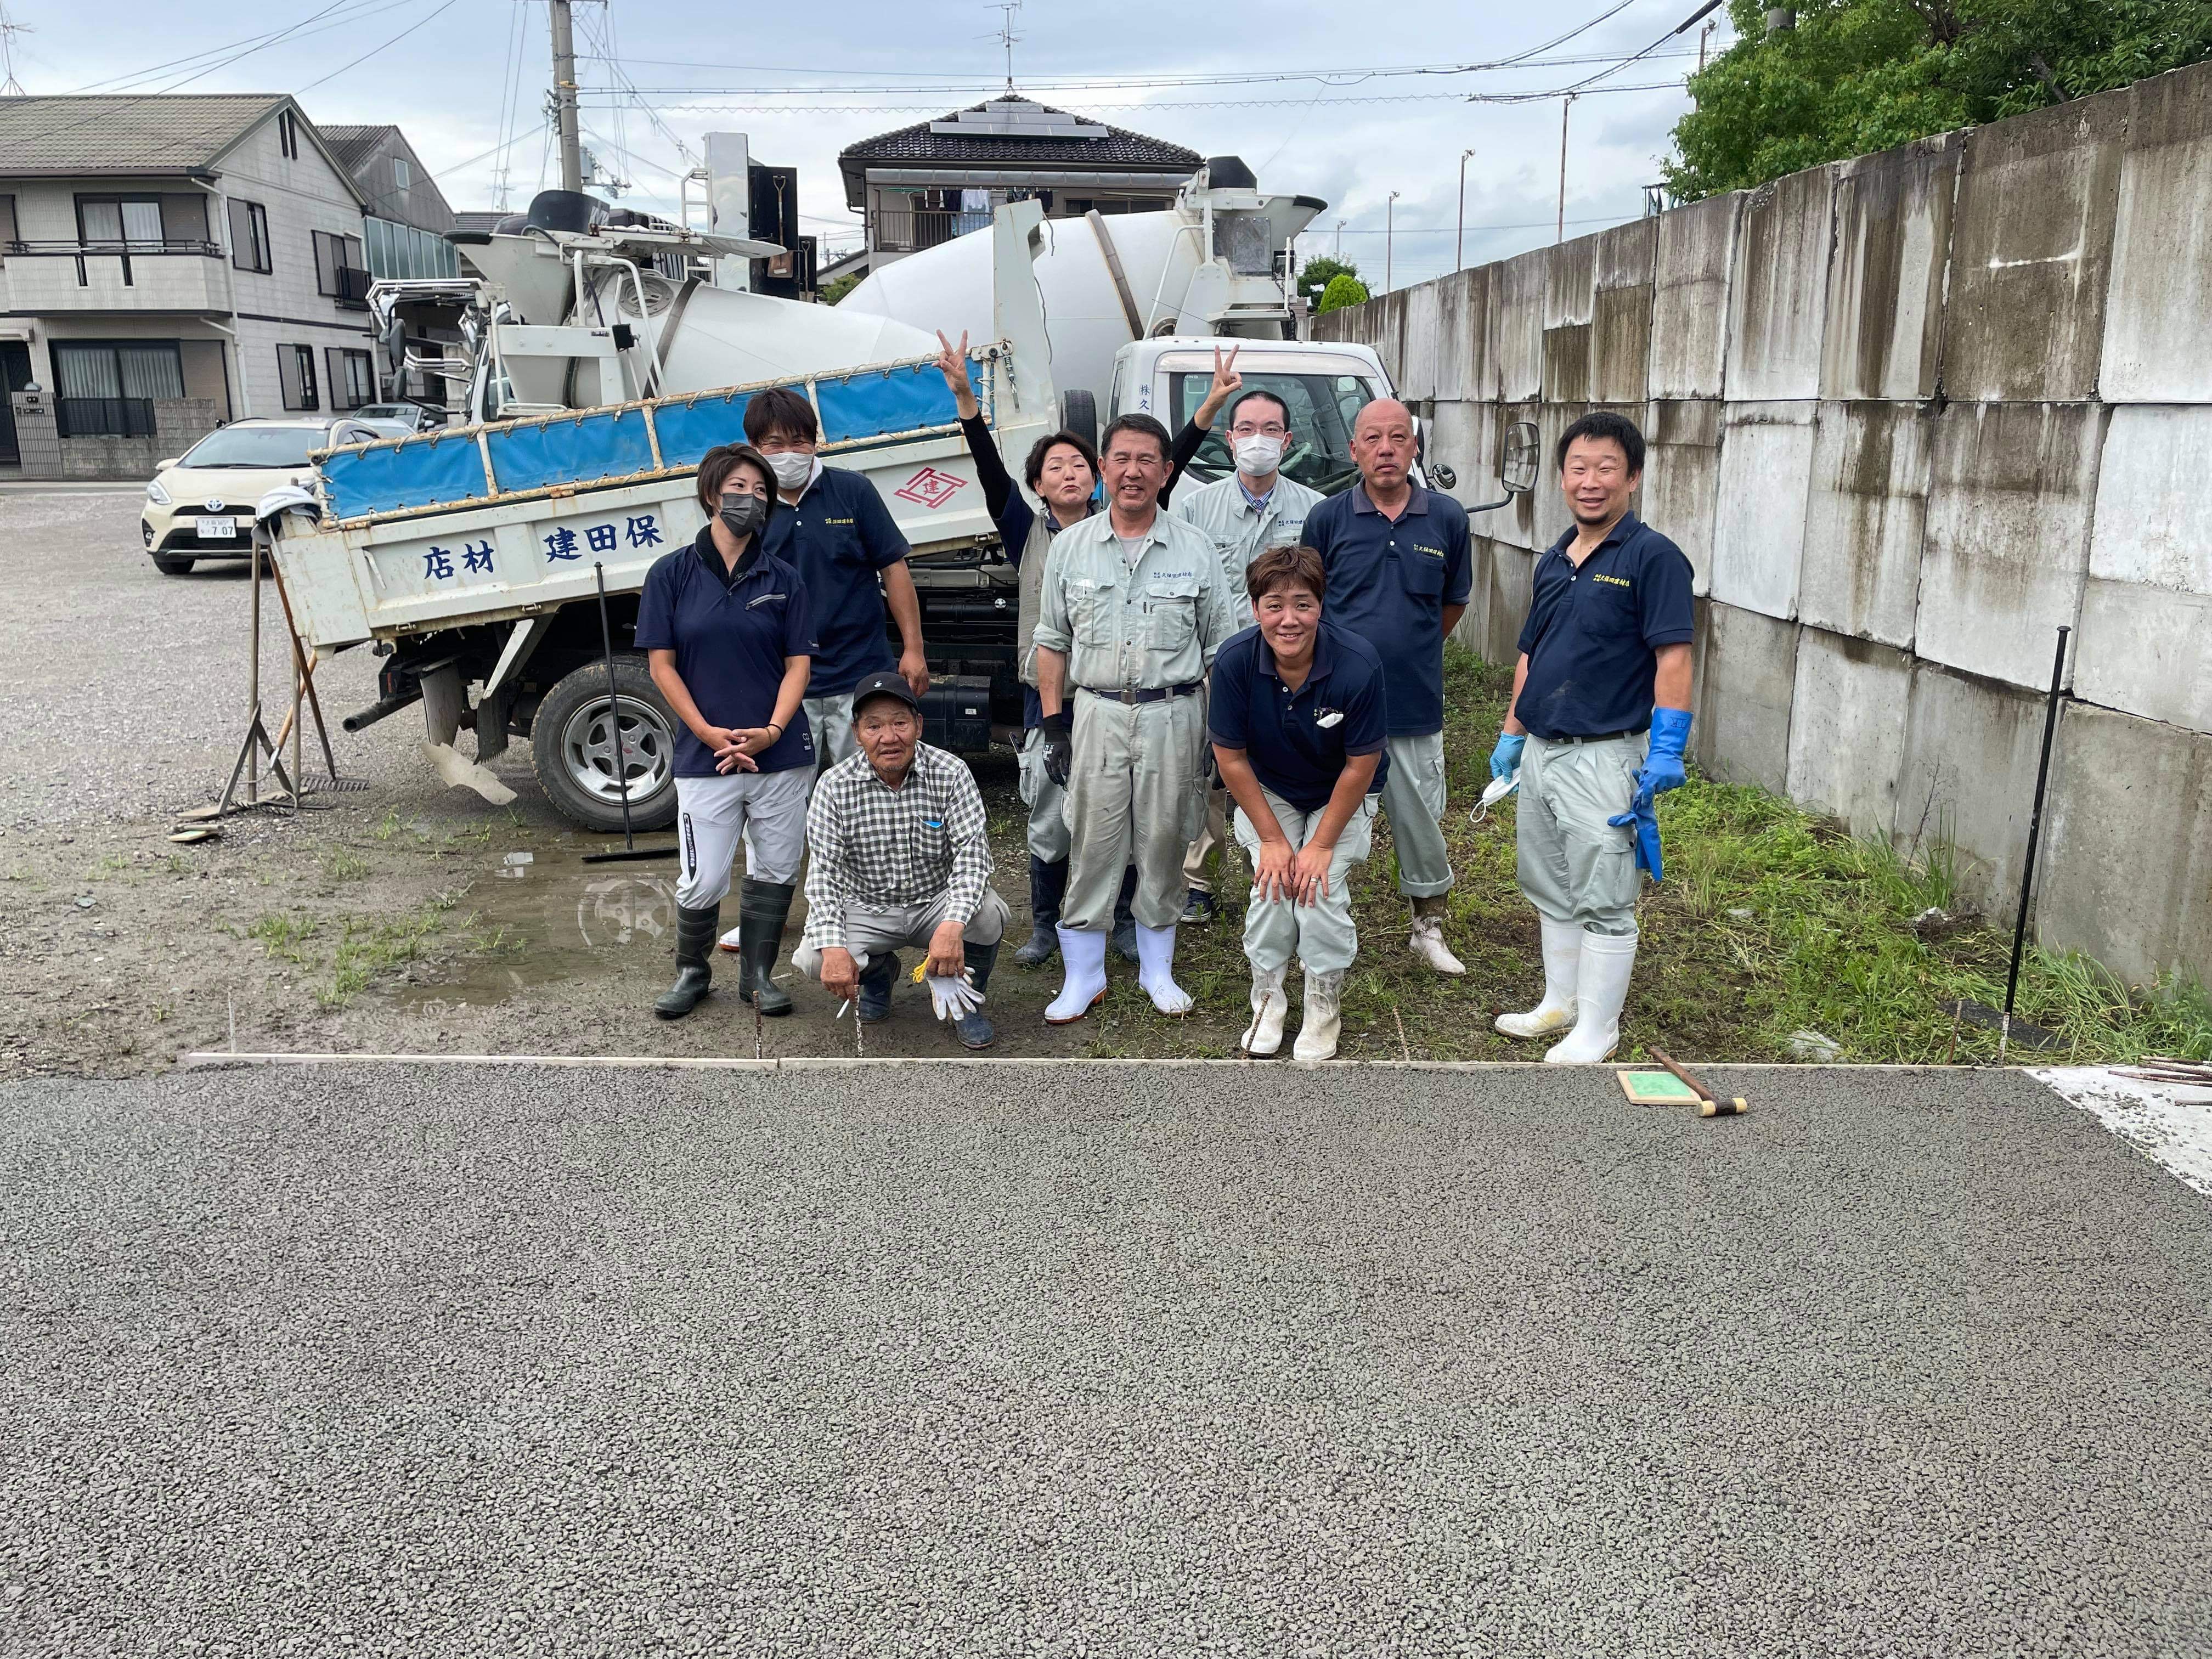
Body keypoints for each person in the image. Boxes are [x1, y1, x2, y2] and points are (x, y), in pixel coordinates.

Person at [1488, 409, 1694, 1064]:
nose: (1591, 481)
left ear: (1632, 478)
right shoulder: (1555, 557)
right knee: (1550, 882)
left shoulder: (1653, 557)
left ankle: (1600, 1029)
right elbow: (1531, 653)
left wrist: (1667, 746)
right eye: (1578, 468)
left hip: (1606, 755)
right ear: (1561, 477)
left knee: (1604, 893)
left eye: (1607, 469)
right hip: (1543, 753)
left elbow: (1674, 659)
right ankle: (1561, 1002)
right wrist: (1512, 732)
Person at [1031, 413, 1240, 1022]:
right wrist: (1054, 724)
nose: (1133, 471)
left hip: (1173, 715)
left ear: (1166, 470)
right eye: (1121, 458)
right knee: (1092, 843)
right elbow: (1051, 640)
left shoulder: (1196, 549)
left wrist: (1217, 731)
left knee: (1165, 838)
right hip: (1096, 712)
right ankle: (1083, 976)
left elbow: (1220, 649)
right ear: (1103, 468)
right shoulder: (1071, 546)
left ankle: (1157, 970)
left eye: (1147, 459)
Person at [934, 330, 1098, 970]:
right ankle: (1047, 927)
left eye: (1079, 465)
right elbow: (988, 471)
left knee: (1117, 815)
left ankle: (1114, 921)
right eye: (1054, 467)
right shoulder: (1024, 531)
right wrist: (968, 404)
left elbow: (1163, 467)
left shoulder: (1125, 531)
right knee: (1050, 817)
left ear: (1099, 478)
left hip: (1112, 696)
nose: (1068, 473)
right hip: (1045, 698)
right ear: (1037, 483)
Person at [635, 443, 814, 1021]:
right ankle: (693, 971)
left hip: (779, 753)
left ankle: (757, 977)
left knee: (776, 867)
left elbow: (798, 666)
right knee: (703, 875)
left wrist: (772, 730)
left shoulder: (784, 578)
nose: (752, 499)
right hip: (703, 754)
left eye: (762, 491)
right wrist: (709, 733)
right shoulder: (671, 575)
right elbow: (662, 665)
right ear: (713, 493)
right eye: (740, 488)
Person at [1301, 398, 1475, 977]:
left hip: (1413, 701)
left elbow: (1452, 603)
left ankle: (1427, 925)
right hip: (1337, 705)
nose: (1386, 449)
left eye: (1398, 438)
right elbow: (1308, 607)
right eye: (1372, 439)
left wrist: (1409, 648)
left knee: (1421, 820)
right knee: (1323, 815)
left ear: (1415, 447)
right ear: (1353, 450)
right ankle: (1317, 928)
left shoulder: (1447, 519)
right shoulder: (1327, 520)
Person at [1209, 545, 1388, 1062]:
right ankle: (1267, 999)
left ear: (1322, 606)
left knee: (1318, 886)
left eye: (1303, 604)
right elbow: (1231, 758)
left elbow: (1361, 765)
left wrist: (1321, 846)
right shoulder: (1236, 662)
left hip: (1344, 788)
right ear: (1255, 608)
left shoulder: (1358, 663)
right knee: (1272, 884)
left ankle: (1322, 1001)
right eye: (1275, 605)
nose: (1289, 620)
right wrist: (1272, 839)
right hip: (1272, 788)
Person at [1170, 380, 1326, 926]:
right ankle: (1196, 882)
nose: (1257, 439)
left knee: (1287, 765)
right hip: (1220, 667)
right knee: (1211, 771)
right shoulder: (1196, 509)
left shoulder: (1315, 511)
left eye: (1269, 430)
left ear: (1287, 441)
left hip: (1295, 667)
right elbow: (1183, 589)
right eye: (1245, 429)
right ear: (1229, 440)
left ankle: (1288, 869)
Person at [792, 672, 1012, 1049]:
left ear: (918, 725)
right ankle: (880, 975)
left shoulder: (951, 772)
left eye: (899, 722)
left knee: (988, 914)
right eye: (874, 726)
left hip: (934, 902)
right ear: (857, 732)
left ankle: (966, 1000)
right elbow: (824, 874)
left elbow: (973, 858)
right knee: (813, 958)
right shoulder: (833, 785)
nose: (889, 737)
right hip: (868, 906)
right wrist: (834, 949)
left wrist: (952, 925)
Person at [744, 386, 929, 769]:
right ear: (753, 446)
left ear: (815, 442)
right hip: (786, 682)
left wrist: (914, 649)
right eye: (775, 444)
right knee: (790, 794)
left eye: (799, 442)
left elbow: (894, 569)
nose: (788, 454)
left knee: (870, 785)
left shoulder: (853, 491)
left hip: (860, 673)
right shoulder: (749, 507)